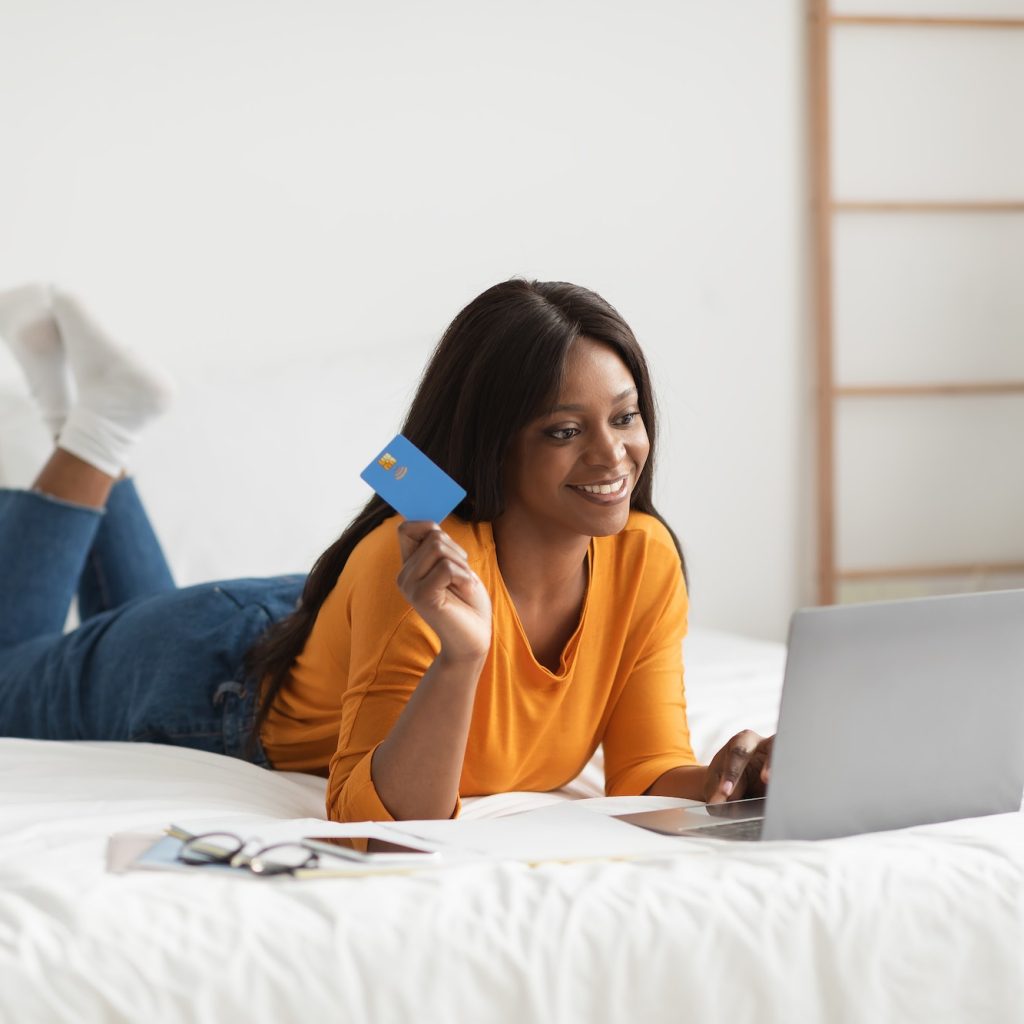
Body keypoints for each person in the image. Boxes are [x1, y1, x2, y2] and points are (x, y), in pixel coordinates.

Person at [0, 279, 772, 822]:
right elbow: (377, 815)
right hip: (211, 680)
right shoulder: (427, 567)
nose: (614, 457)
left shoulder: (644, 557)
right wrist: (460, 657)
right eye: (565, 431)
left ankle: (89, 413)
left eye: (626, 417)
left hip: (317, 624)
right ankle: (95, 426)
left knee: (105, 622)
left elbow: (641, 773)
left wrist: (731, 782)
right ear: (493, 447)